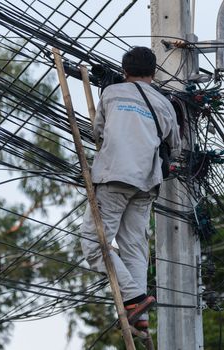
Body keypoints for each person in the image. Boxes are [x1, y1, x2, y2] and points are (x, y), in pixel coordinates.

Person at [81, 46, 181, 330]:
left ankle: (135, 296)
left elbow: (97, 131)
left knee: (93, 243)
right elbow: (175, 147)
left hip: (115, 176)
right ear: (154, 73)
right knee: (134, 248)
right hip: (147, 182)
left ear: (125, 71)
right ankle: (141, 316)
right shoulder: (165, 104)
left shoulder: (111, 94)